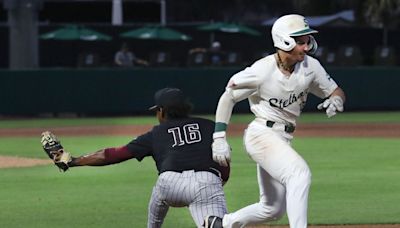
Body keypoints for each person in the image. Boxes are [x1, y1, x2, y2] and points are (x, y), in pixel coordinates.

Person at [204, 14, 346, 228]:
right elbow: (228, 96)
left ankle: (221, 224)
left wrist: (336, 100)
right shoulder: (262, 70)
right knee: (299, 174)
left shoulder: (311, 66)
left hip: (283, 137)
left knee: (272, 208)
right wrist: (219, 137)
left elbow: (335, 91)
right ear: (284, 41)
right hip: (261, 134)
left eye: (307, 41)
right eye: (301, 41)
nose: (306, 47)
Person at [41, 87, 230, 228]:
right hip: (207, 182)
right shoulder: (209, 126)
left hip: (170, 183)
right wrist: (216, 183)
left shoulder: (155, 134)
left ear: (162, 111)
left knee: (159, 194)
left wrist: (73, 161)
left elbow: (113, 155)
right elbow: (224, 159)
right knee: (215, 223)